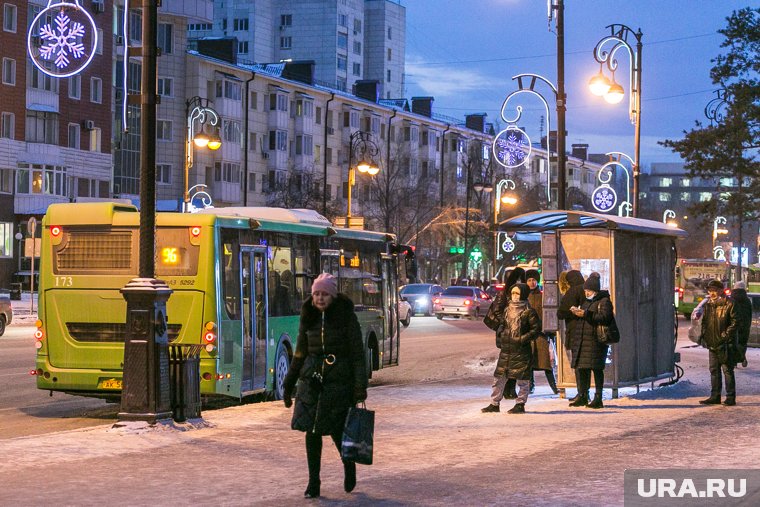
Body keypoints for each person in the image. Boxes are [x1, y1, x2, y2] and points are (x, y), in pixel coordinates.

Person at [282, 273, 368, 498]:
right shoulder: (308, 315)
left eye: (324, 294)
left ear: (332, 295)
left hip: (338, 382)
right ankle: (314, 482)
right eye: (316, 294)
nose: (320, 298)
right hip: (311, 382)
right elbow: (300, 352)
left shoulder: (345, 317)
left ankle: (348, 465)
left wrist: (360, 388)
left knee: (337, 430)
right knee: (311, 432)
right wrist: (289, 382)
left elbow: (358, 355)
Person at [482, 283, 541, 414]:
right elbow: (501, 324)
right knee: (499, 377)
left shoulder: (528, 312)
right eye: (513, 293)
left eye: (517, 293)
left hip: (521, 350)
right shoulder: (507, 309)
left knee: (522, 378)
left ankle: (520, 403)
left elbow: (536, 330)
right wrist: (502, 336)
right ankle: (494, 403)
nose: (514, 296)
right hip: (506, 350)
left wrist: (521, 339)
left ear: (523, 295)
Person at [568, 273, 613, 409]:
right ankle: (583, 395)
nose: (586, 293)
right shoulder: (586, 302)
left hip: (596, 341)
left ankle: (598, 397)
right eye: (586, 291)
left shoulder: (604, 301)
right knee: (583, 368)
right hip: (584, 341)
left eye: (588, 291)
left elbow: (605, 317)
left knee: (596, 369)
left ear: (595, 290)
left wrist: (586, 314)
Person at [698, 279, 739, 406]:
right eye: (710, 291)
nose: (712, 293)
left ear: (721, 290)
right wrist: (705, 336)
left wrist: (725, 336)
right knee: (714, 370)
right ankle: (715, 396)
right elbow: (705, 321)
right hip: (712, 343)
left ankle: (730, 397)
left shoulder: (730, 303)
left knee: (727, 370)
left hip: (725, 343)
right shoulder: (709, 304)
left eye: (714, 290)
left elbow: (735, 322)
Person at [525, 269, 559, 394]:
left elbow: (549, 314)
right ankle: (530, 386)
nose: (532, 282)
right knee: (528, 362)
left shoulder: (543, 296)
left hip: (541, 334)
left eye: (534, 280)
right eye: (529, 280)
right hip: (528, 335)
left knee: (545, 363)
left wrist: (549, 330)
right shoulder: (524, 297)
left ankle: (554, 386)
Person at [556, 270, 586, 402]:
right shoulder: (586, 290)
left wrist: (570, 313)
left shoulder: (573, 291)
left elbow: (561, 312)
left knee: (578, 363)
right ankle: (585, 393)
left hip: (575, 332)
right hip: (587, 332)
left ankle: (582, 394)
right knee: (586, 364)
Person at [498, 267, 526, 399]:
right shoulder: (507, 294)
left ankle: (511, 388)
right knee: (508, 363)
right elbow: (499, 312)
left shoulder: (523, 294)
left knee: (515, 363)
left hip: (518, 333)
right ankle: (506, 389)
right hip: (508, 333)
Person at [729, 281, 751, 368]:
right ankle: (742, 357)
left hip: (733, 325)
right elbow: (749, 314)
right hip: (744, 325)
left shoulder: (731, 300)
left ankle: (734, 361)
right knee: (742, 342)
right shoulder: (747, 300)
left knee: (733, 343)